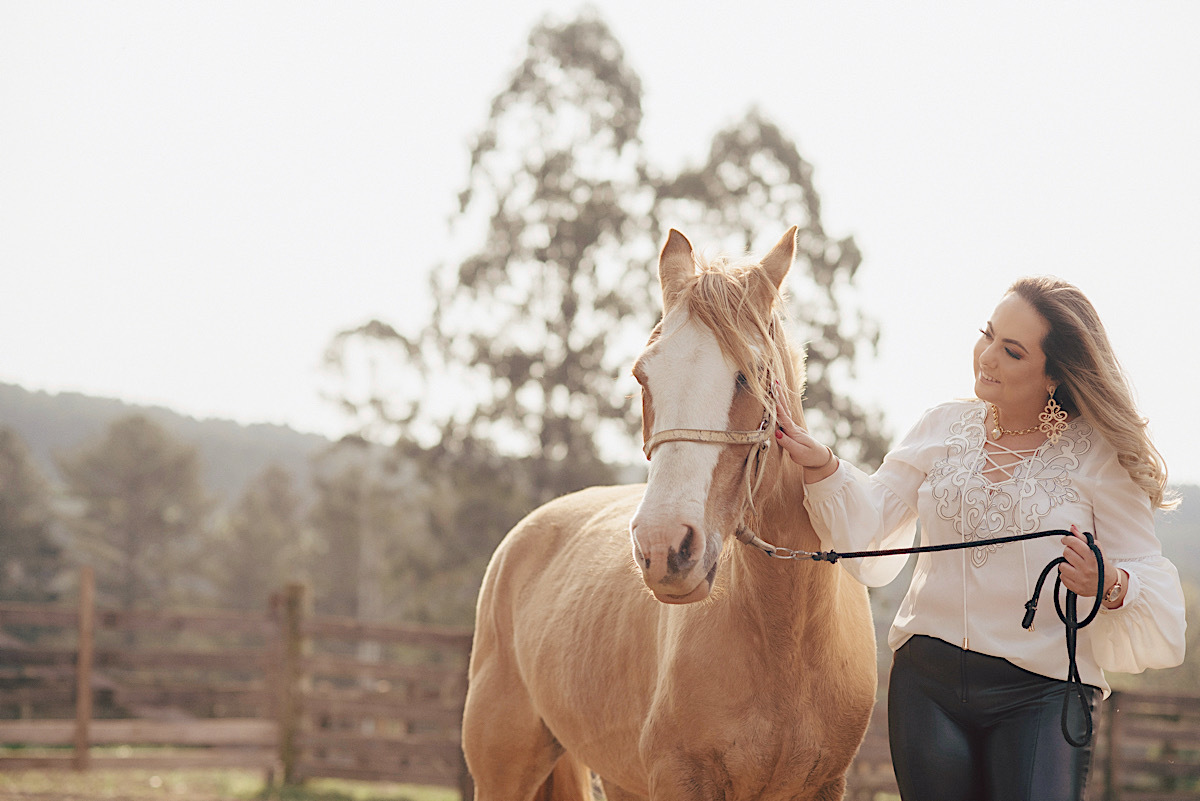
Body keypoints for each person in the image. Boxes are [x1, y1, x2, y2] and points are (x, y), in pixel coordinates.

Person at [774, 276, 1186, 801]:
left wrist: (1109, 582)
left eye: (1011, 351)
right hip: (928, 684)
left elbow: (1150, 582)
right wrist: (825, 466)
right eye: (987, 335)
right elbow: (872, 525)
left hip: (1042, 691)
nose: (987, 357)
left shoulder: (1100, 456)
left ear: (1054, 374)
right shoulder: (941, 425)